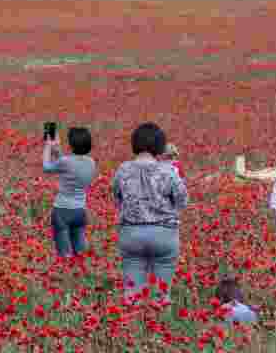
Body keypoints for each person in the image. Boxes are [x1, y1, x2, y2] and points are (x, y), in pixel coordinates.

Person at [112, 123, 188, 305]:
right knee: (161, 295)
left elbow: (117, 198)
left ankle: (132, 327)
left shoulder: (123, 170)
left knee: (132, 295)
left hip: (131, 234)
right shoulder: (168, 171)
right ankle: (160, 325)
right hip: (164, 234)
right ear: (160, 146)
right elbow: (182, 201)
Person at [42, 126, 97, 258]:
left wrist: (48, 147)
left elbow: (46, 167)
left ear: (71, 144)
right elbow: (67, 165)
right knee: (79, 252)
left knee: (64, 254)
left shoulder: (66, 162)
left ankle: (66, 276)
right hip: (79, 211)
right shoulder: (91, 162)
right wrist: (58, 150)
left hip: (62, 211)